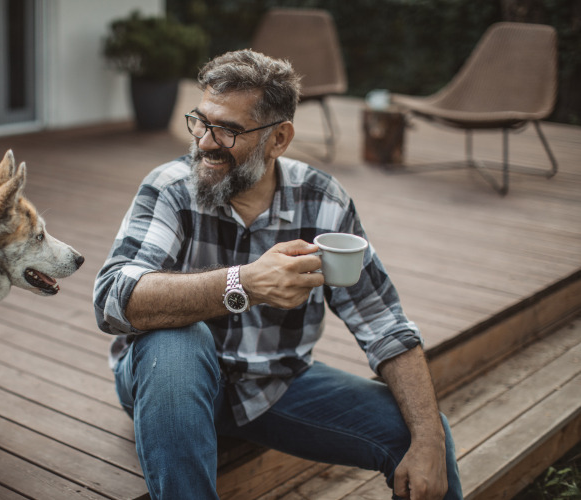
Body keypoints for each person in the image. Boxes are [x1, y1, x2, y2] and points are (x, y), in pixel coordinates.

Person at [93, 49, 463, 500]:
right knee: (177, 340)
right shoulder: (171, 187)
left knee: (425, 435)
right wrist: (241, 284)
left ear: (279, 138)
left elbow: (384, 324)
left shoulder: (323, 201)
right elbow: (113, 298)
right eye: (201, 121)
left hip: (273, 388)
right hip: (164, 382)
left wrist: (428, 439)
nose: (206, 142)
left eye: (228, 130)